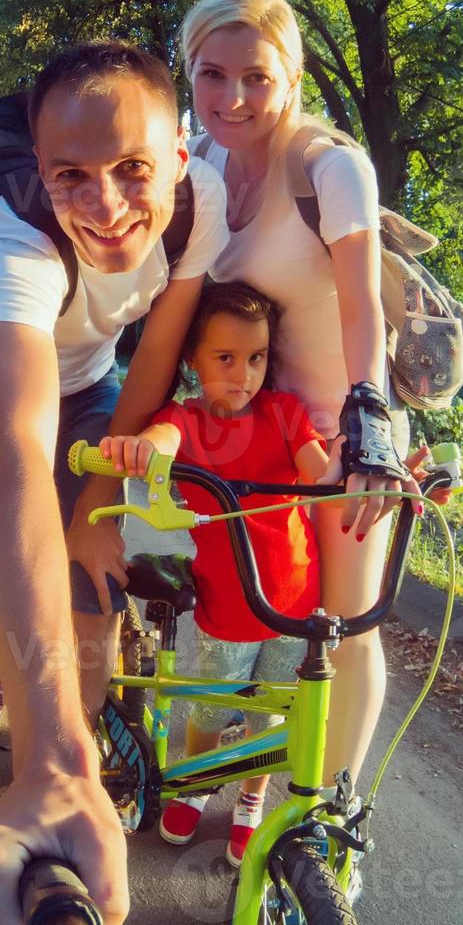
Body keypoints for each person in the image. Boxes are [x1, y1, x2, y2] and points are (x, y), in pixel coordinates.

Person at [0, 41, 231, 925]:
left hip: (102, 382)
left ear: (180, 159)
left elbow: (155, 348)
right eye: (71, 176)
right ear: (39, 168)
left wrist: (99, 490)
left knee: (92, 582)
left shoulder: (201, 204)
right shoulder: (11, 246)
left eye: (133, 170)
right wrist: (57, 759)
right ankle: (48, 763)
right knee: (20, 574)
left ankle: (70, 740)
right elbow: (16, 457)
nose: (105, 208)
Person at [179, 0, 418, 805]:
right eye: (212, 74)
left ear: (293, 77)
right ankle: (227, 784)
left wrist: (371, 427)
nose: (232, 98)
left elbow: (362, 305)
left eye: (257, 76)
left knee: (344, 629)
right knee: (244, 621)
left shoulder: (328, 164)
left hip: (341, 432)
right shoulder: (201, 161)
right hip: (248, 433)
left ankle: (331, 816)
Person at [97, 280, 332, 866]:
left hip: (294, 603)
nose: (243, 374)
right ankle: (199, 781)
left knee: (271, 713)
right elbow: (163, 436)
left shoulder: (285, 414)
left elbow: (323, 475)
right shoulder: (187, 419)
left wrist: (378, 474)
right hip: (227, 605)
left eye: (255, 358)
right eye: (224, 358)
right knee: (208, 708)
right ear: (192, 361)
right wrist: (144, 447)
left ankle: (252, 800)